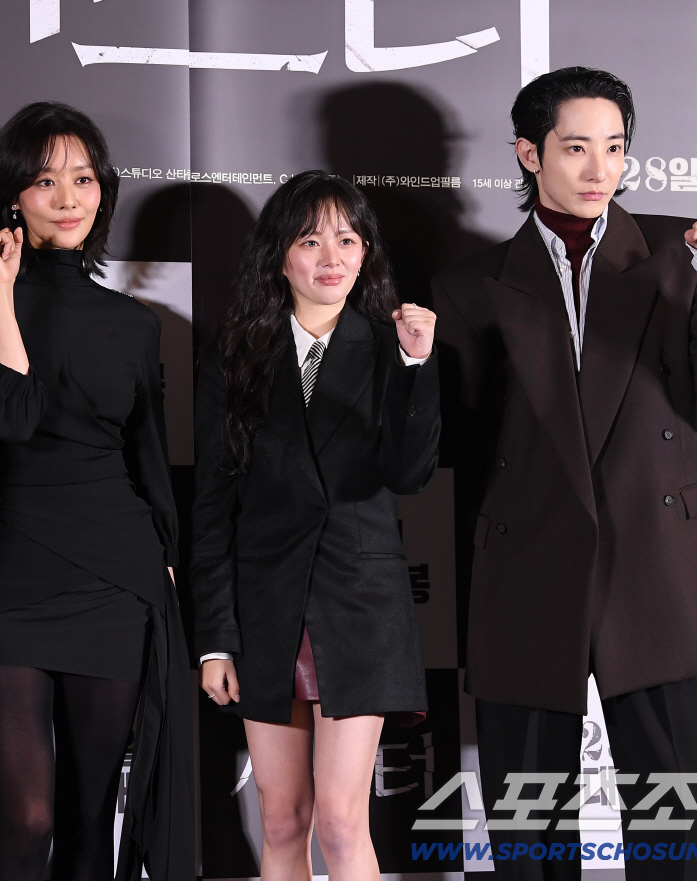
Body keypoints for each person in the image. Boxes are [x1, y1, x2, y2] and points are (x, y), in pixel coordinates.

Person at [433, 67, 697, 879]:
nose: (600, 169)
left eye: (615, 148)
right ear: (529, 153)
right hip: (527, 569)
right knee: (530, 831)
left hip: (656, 560)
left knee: (671, 824)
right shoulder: (468, 285)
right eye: (577, 147)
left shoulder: (682, 254)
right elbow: (463, 450)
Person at [0, 101, 194, 881]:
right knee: (27, 820)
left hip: (115, 576)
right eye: (46, 181)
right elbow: (8, 418)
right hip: (10, 569)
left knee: (90, 819)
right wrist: (0, 291)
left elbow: (147, 454)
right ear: (12, 197)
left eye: (83, 179)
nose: (67, 198)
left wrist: (164, 558)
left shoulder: (135, 324)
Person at [191, 171, 440, 879]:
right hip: (265, 606)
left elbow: (411, 473)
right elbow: (212, 505)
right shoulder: (236, 355)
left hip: (359, 607)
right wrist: (216, 637)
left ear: (366, 254)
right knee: (281, 817)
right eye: (310, 240)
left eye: (347, 239)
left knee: (339, 818)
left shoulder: (393, 345)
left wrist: (416, 364)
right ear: (279, 256)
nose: (332, 256)